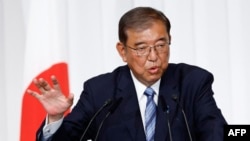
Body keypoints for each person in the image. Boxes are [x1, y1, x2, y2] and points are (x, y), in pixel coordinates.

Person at [28, 6, 227, 141]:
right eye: (141, 48)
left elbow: (215, 130)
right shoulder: (100, 91)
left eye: (160, 45)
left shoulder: (193, 82)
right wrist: (55, 119)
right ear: (122, 51)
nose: (153, 57)